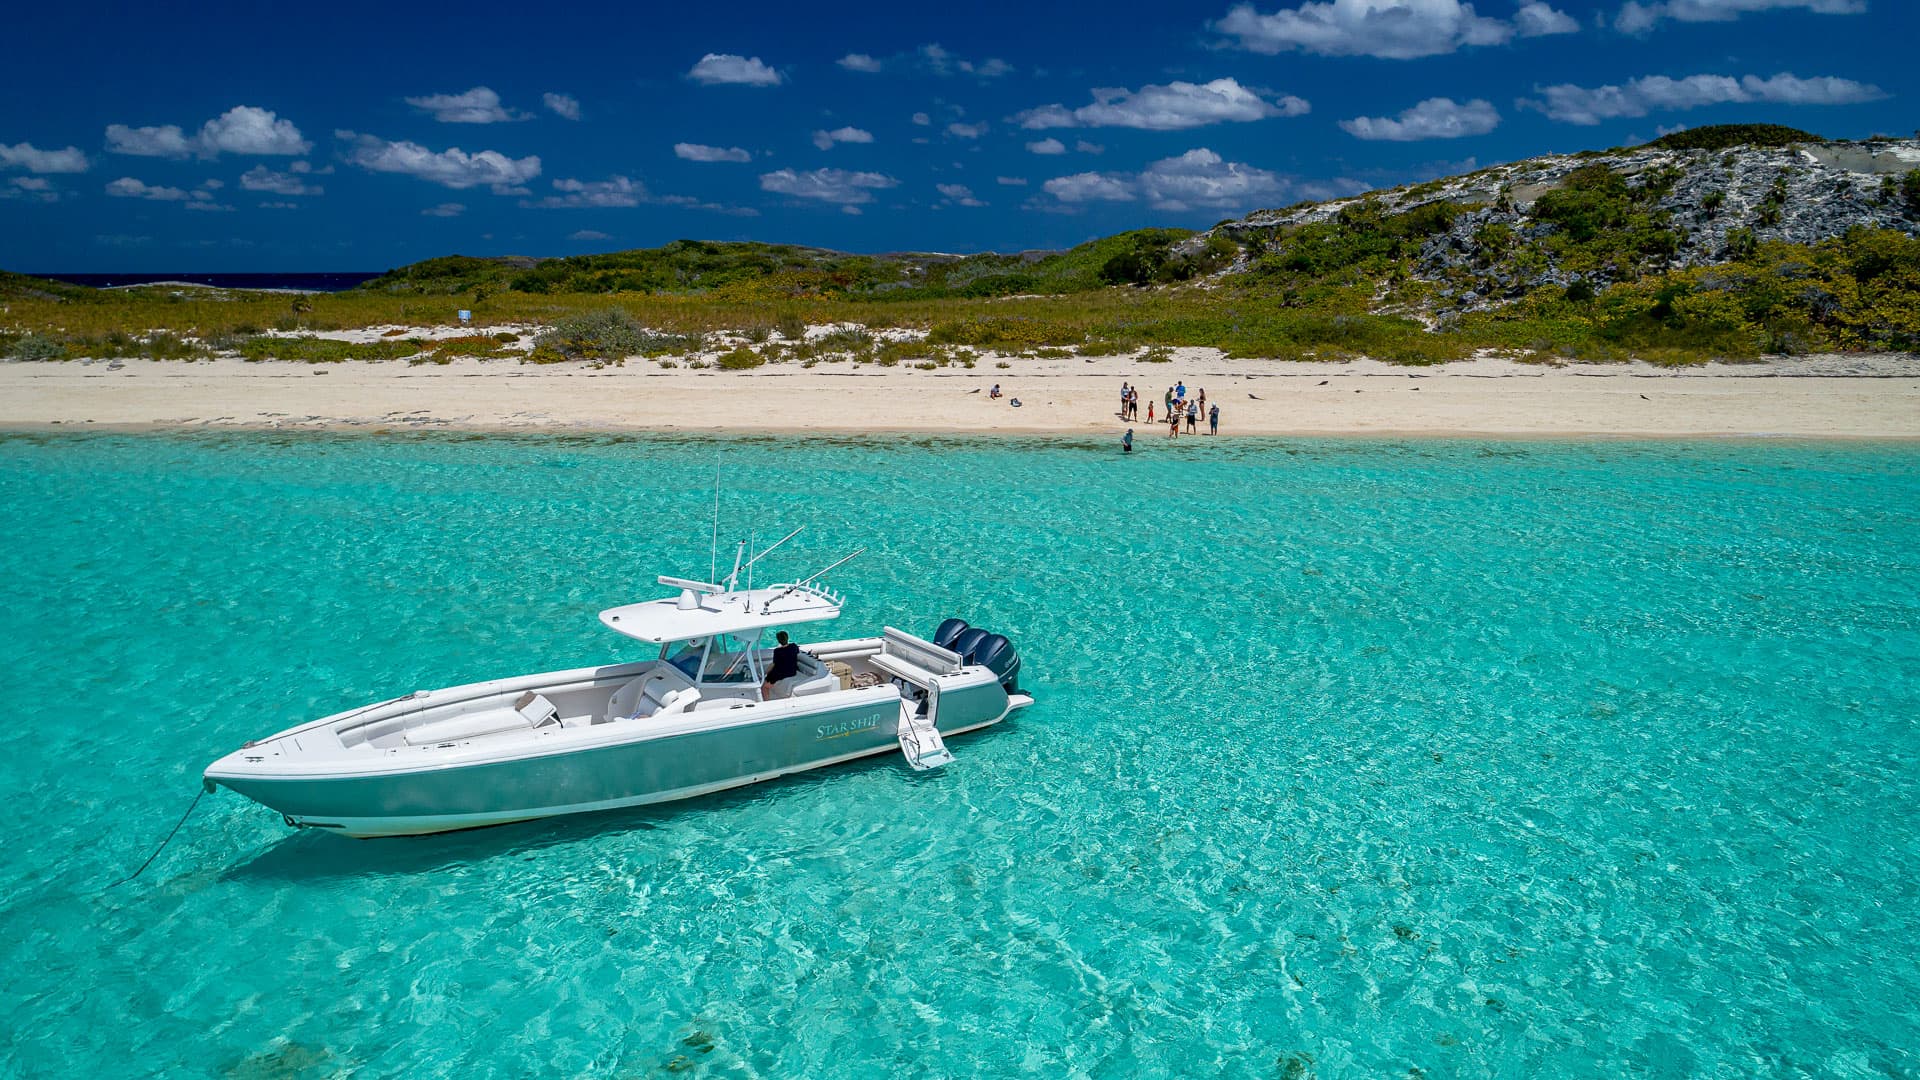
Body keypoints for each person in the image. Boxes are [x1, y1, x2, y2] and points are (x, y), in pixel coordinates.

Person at [762, 631, 801, 700]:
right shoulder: (794, 646)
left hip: (781, 673)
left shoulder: (777, 651)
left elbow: (774, 664)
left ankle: (767, 703)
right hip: (792, 671)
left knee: (765, 687)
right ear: (787, 638)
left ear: (778, 640)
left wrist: (765, 672)